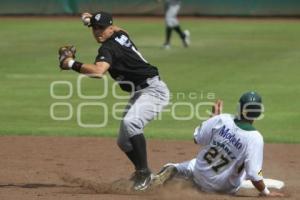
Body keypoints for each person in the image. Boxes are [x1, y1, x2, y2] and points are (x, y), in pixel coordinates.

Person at [58, 11, 170, 191]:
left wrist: (71, 63)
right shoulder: (120, 33)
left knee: (131, 123)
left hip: (153, 90)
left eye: (101, 28)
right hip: (140, 92)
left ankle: (144, 174)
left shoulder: (108, 48)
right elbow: (117, 27)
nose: (97, 32)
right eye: (95, 28)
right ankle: (144, 172)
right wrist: (89, 20)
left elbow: (97, 71)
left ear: (110, 28)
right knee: (124, 141)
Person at [154, 92, 284, 197]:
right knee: (242, 170)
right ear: (258, 112)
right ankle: (191, 183)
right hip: (222, 187)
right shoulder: (255, 138)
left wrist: (212, 117)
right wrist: (266, 192)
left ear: (239, 107)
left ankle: (176, 172)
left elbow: (197, 139)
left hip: (199, 173)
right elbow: (255, 174)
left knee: (178, 166)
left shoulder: (222, 119)